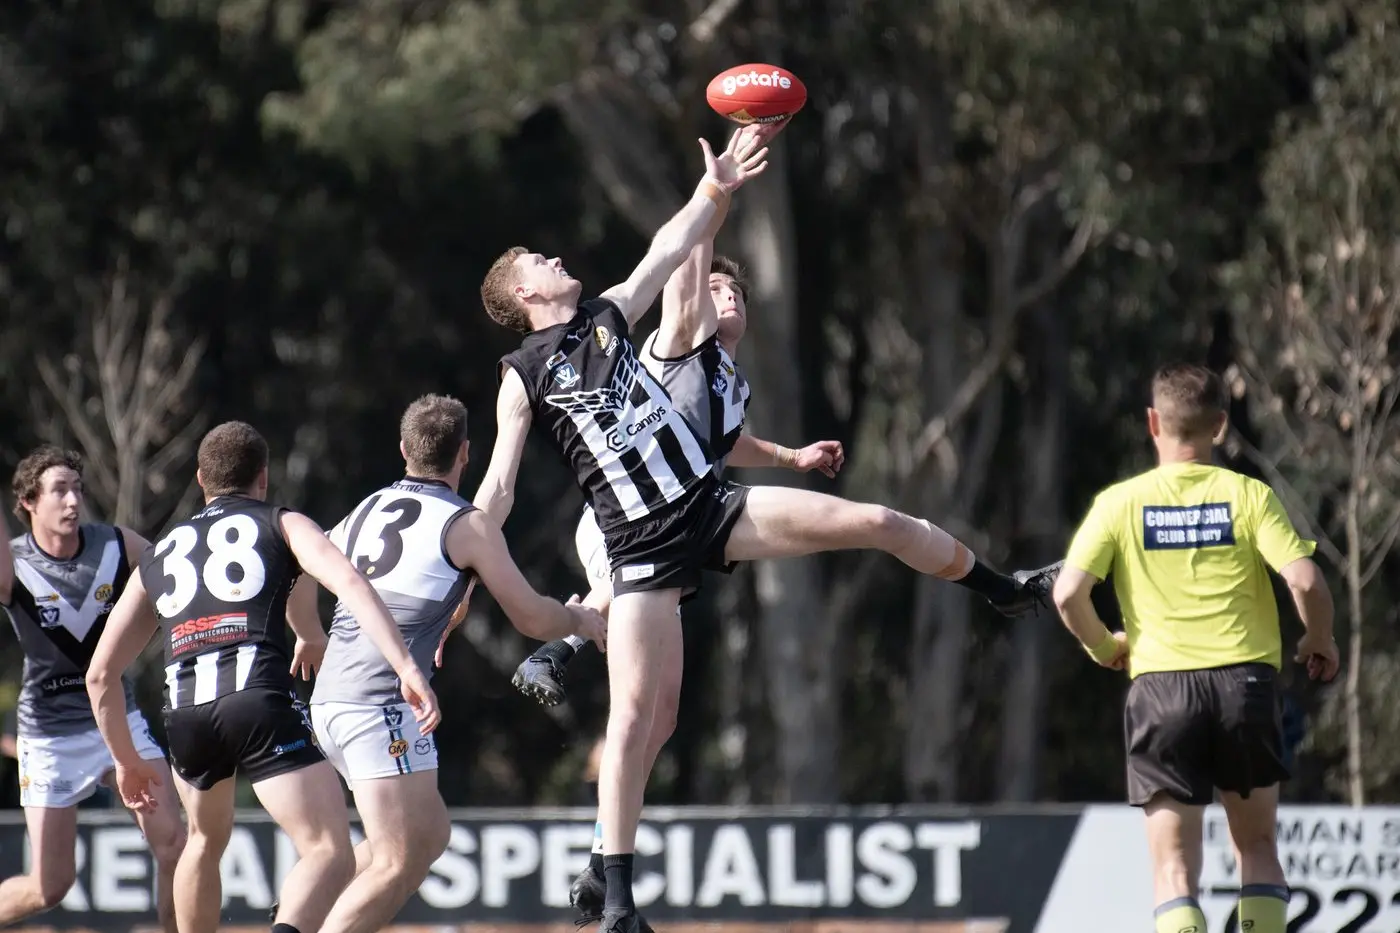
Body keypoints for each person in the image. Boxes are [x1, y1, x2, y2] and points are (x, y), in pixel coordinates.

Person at [475, 125, 1056, 933]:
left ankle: (1002, 587)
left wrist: (719, 186)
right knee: (641, 717)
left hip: (711, 504)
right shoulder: (522, 374)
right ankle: (615, 903)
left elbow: (668, 246)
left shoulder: (609, 315)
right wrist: (468, 556)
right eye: (539, 261)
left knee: (877, 519)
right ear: (523, 297)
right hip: (634, 542)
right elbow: (500, 484)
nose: (556, 258)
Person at [85, 421, 441, 933]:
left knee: (203, 842)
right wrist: (406, 666)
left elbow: (100, 674)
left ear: (202, 478)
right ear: (264, 479)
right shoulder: (283, 522)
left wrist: (124, 760)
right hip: (256, 700)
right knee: (328, 850)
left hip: (185, 713)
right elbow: (349, 582)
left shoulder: (160, 553)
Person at [1051, 363, 1339, 933]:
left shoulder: (1119, 503)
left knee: (1173, 869)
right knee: (1256, 847)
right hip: (1246, 688)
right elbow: (1305, 581)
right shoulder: (1249, 495)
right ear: (1221, 426)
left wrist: (1103, 646)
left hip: (1161, 692)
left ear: (1153, 422)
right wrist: (1318, 637)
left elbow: (1067, 594)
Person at [306, 394, 606, 933]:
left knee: (429, 835)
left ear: (403, 450)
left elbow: (301, 574)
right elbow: (533, 619)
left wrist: (308, 635)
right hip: (380, 709)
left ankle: (302, 903)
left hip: (330, 700)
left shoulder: (366, 508)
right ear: (464, 453)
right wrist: (578, 619)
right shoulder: (465, 525)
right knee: (399, 860)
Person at [0, 447, 185, 932]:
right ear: (28, 503)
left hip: (116, 719)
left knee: (174, 845)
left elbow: (177, 577)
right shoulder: (14, 564)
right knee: (49, 887)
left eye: (76, 488)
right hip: (49, 735)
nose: (72, 500)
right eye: (58, 490)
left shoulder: (117, 544)